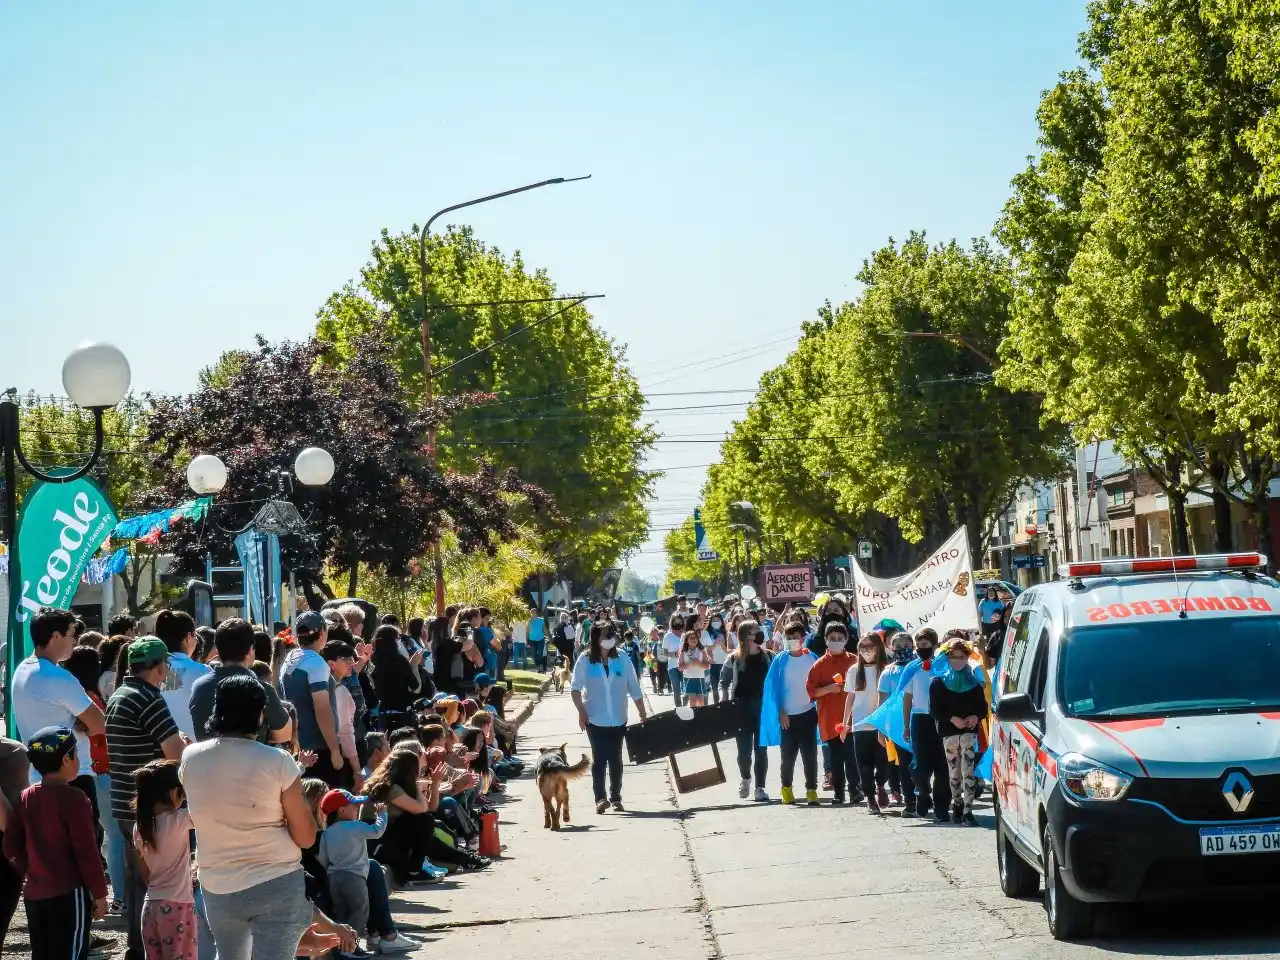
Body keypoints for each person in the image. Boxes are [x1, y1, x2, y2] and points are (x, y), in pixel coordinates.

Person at [180, 674, 316, 960]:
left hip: (217, 884)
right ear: (260, 713)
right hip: (276, 879)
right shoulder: (278, 761)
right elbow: (305, 837)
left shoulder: (190, 758)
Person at [107, 637, 186, 960]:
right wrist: (184, 742)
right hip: (153, 807)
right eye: (165, 663)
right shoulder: (148, 698)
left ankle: (138, 947)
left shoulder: (119, 695)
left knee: (138, 880)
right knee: (162, 883)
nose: (167, 670)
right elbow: (175, 752)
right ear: (157, 667)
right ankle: (157, 946)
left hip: (126, 803)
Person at [4, 726, 108, 960]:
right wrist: (99, 893)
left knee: (42, 953)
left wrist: (28, 869)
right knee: (71, 952)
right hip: (69, 895)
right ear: (66, 759)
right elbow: (87, 852)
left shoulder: (26, 797)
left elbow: (11, 845)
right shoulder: (75, 799)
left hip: (35, 895)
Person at [11, 608, 106, 808]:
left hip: (37, 776)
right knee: (85, 839)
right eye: (71, 634)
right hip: (73, 777)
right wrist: (81, 721)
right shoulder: (58, 677)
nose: (75, 641)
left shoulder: (21, 671)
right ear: (55, 636)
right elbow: (99, 724)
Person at [63, 647, 126, 908]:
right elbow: (101, 731)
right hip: (101, 771)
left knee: (109, 837)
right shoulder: (87, 699)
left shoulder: (76, 697)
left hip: (94, 771)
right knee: (115, 838)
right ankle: (120, 897)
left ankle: (116, 896)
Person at [571, 623, 647, 815]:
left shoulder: (621, 657)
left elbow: (634, 687)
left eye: (612, 634)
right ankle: (600, 798)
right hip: (594, 719)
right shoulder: (585, 660)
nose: (610, 638)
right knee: (599, 758)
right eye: (606, 635)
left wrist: (643, 712)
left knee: (616, 758)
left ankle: (616, 797)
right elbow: (575, 689)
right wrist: (581, 710)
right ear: (595, 638)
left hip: (619, 718)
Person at [188, 618, 292, 745]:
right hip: (252, 761)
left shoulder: (198, 687)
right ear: (251, 649)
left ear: (218, 650)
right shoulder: (260, 689)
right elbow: (284, 734)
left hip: (207, 760)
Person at [132, 759, 195, 960]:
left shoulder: (140, 827)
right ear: (174, 792)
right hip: (178, 907)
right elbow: (209, 808)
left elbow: (145, 873)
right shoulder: (180, 820)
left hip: (150, 907)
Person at [318, 790, 387, 958]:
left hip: (334, 878)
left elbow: (323, 859)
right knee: (359, 912)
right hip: (355, 878)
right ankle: (351, 949)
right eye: (354, 805)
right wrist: (382, 815)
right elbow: (377, 831)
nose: (357, 808)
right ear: (341, 810)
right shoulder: (356, 826)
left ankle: (339, 947)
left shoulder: (327, 833)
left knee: (341, 915)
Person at [280, 611, 346, 787]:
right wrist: (334, 749)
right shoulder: (316, 663)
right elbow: (322, 708)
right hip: (318, 749)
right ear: (322, 633)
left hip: (298, 746)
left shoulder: (289, 659)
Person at [929, 637, 988, 826]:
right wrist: (951, 718)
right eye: (953, 657)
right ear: (947, 657)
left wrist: (975, 717)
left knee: (968, 771)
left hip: (969, 733)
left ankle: (968, 811)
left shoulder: (974, 682)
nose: (957, 661)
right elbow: (934, 710)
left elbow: (982, 707)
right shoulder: (938, 682)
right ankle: (957, 804)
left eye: (961, 657)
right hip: (949, 733)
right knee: (954, 773)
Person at [761, 621, 819, 806]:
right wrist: (781, 711)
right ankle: (786, 788)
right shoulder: (780, 660)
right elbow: (773, 688)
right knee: (788, 757)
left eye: (796, 637)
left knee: (810, 755)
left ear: (803, 638)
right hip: (788, 717)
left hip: (809, 713)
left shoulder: (812, 658)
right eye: (789, 637)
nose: (793, 640)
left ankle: (811, 790)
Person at [900, 628, 952, 824]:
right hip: (920, 720)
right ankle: (922, 793)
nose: (922, 648)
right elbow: (907, 698)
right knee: (919, 765)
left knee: (943, 765)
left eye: (926, 644)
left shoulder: (944, 667)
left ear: (935, 645)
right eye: (919, 645)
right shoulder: (912, 668)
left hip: (941, 719)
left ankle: (941, 807)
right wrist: (906, 725)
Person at [807, 622, 859, 805]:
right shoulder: (819, 665)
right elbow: (811, 691)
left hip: (852, 718)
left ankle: (855, 790)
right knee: (836, 759)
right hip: (829, 719)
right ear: (826, 641)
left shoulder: (855, 660)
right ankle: (838, 793)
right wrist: (829, 688)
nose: (836, 641)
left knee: (852, 758)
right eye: (832, 639)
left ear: (846, 639)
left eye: (839, 638)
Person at [843, 632, 891, 815]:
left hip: (881, 725)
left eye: (870, 646)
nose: (866, 650)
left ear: (879, 647)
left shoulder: (886, 669)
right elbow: (850, 696)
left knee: (884, 762)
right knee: (864, 764)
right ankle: (870, 797)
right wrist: (845, 723)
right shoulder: (854, 670)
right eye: (862, 646)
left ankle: (880, 785)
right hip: (860, 724)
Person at [725, 620, 771, 801]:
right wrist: (723, 701)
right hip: (741, 708)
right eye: (755, 631)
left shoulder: (768, 655)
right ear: (745, 636)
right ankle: (745, 777)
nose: (759, 633)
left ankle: (760, 787)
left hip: (761, 707)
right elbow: (723, 680)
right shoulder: (734, 658)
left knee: (761, 750)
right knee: (743, 751)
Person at [154, 610, 211, 740]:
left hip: (162, 746)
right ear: (189, 636)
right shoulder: (203, 672)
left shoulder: (154, 671)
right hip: (196, 748)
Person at [879, 630, 914, 811]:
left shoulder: (919, 667)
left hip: (920, 721)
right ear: (891, 648)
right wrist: (881, 730)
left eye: (906, 646)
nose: (903, 649)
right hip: (897, 726)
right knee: (902, 763)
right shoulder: (888, 672)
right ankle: (909, 799)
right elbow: (882, 703)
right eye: (898, 646)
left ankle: (922, 792)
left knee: (921, 763)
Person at [677, 628, 710, 708]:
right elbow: (680, 668)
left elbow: (707, 666)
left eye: (695, 637)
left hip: (700, 678)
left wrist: (698, 663)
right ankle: (694, 718)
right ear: (686, 640)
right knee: (693, 700)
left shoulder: (702, 651)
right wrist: (690, 664)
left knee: (701, 701)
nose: (693, 639)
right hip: (689, 679)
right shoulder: (683, 652)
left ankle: (700, 717)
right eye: (691, 638)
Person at [703, 612, 730, 704]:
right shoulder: (707, 633)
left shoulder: (726, 633)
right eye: (713, 620)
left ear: (721, 621)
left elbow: (728, 650)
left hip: (724, 662)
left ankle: (725, 705)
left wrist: (722, 644)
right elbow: (706, 649)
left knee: (724, 687)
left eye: (717, 620)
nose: (715, 622)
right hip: (713, 663)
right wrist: (715, 644)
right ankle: (716, 705)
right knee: (714, 687)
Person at [663, 614, 686, 708]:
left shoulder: (686, 634)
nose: (678, 623)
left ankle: (685, 706)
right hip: (673, 666)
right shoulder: (668, 636)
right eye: (676, 621)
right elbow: (665, 653)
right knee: (676, 690)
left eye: (679, 621)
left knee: (687, 689)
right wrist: (675, 654)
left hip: (685, 665)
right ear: (672, 622)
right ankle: (679, 709)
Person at [527, 607, 547, 673]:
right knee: (534, 654)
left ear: (536, 613)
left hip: (541, 639)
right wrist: (526, 640)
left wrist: (546, 636)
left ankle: (539, 666)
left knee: (540, 653)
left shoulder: (541, 620)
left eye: (534, 612)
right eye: (532, 613)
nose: (533, 614)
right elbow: (527, 631)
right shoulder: (529, 621)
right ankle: (538, 667)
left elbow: (544, 629)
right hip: (532, 640)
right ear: (530, 613)